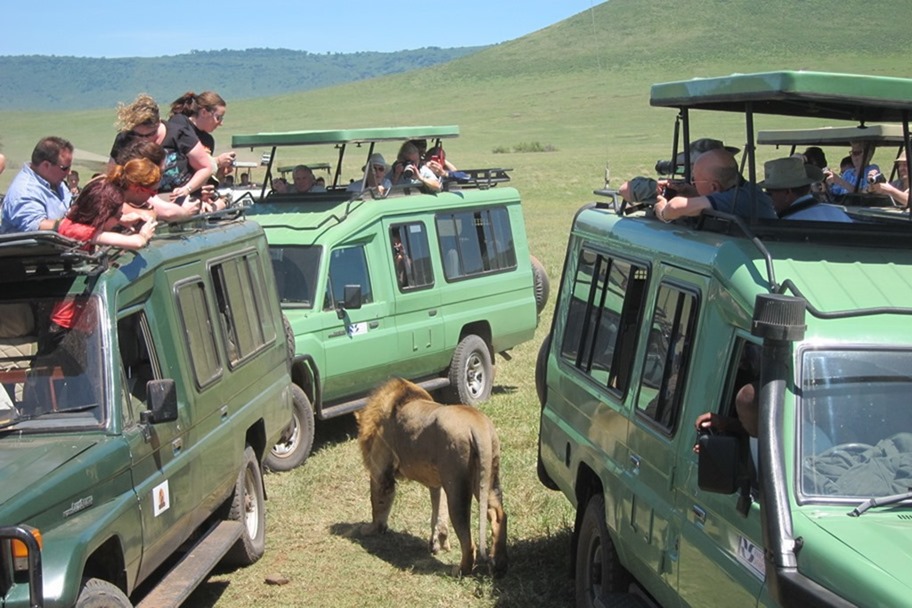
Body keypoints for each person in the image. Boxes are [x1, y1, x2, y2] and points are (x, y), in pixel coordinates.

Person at [646, 148, 777, 222]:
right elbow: (718, 197)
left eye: (694, 181)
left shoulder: (737, 199)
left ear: (714, 187)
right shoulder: (747, 190)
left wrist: (662, 211)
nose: (693, 184)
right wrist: (690, 190)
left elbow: (675, 207)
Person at [160, 91, 235, 201]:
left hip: (193, 194)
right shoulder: (179, 123)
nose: (220, 123)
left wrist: (218, 172)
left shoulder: (209, 141)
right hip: (171, 190)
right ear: (204, 112)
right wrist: (217, 161)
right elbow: (178, 160)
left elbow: (201, 174)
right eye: (218, 117)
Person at [1, 136, 74, 234]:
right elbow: (37, 226)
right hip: (40, 248)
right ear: (46, 165)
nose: (69, 173)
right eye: (65, 168)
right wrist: (78, 228)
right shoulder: (25, 191)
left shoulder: (55, 181)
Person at [760, 157, 852, 222]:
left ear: (788, 192)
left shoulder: (787, 225)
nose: (769, 198)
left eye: (770, 193)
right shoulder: (837, 214)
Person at [108, 93, 166, 168]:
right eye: (137, 135)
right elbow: (112, 169)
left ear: (158, 123)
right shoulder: (123, 140)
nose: (143, 139)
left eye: (150, 134)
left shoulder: (176, 134)